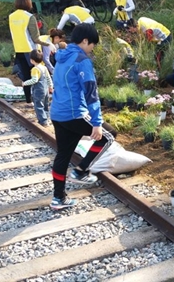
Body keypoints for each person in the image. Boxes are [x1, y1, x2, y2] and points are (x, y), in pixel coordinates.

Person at [49, 23, 118, 210]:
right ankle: (81, 171)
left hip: (57, 113)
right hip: (74, 114)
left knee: (63, 154)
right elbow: (91, 93)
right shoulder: (81, 60)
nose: (92, 49)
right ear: (85, 41)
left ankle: (58, 198)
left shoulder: (61, 57)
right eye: (92, 45)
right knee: (108, 136)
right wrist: (96, 123)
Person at [9, 0, 54, 104]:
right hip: (30, 51)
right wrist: (48, 44)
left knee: (25, 77)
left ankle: (29, 100)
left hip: (18, 50)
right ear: (28, 3)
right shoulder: (29, 17)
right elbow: (36, 38)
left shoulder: (11, 17)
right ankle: (41, 99)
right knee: (37, 75)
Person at [23, 50, 53, 127]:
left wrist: (25, 83)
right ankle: (46, 118)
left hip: (38, 90)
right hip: (45, 89)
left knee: (38, 105)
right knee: (45, 105)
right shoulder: (44, 67)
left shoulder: (35, 69)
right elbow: (48, 78)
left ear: (32, 60)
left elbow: (34, 80)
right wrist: (50, 86)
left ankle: (43, 121)